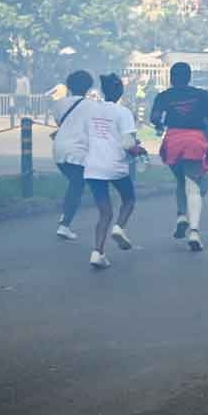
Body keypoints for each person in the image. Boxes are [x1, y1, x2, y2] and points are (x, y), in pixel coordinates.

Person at [151, 62, 208, 252]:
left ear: (171, 78)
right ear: (189, 77)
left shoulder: (163, 96)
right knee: (193, 186)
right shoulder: (201, 95)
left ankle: (181, 215)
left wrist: (165, 119)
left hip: (172, 141)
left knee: (180, 181)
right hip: (195, 141)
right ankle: (194, 232)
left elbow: (155, 118)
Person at [82, 74, 143, 269]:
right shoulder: (123, 112)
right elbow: (127, 143)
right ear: (120, 91)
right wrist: (138, 149)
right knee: (129, 199)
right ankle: (119, 227)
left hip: (93, 166)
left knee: (104, 212)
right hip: (115, 165)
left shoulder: (90, 110)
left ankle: (97, 252)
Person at [52, 71, 95, 242]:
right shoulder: (93, 106)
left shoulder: (59, 104)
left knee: (76, 184)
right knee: (77, 185)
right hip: (78, 151)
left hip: (59, 149)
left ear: (68, 86)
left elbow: (60, 122)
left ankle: (65, 216)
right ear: (89, 87)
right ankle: (64, 224)